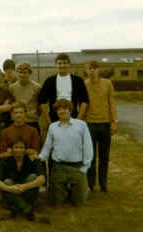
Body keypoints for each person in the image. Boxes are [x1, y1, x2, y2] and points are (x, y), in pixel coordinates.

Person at [39, 99, 93, 206]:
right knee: (55, 202)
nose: (62, 111)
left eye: (65, 108)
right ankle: (62, 190)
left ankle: (76, 190)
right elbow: (47, 147)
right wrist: (39, 157)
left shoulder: (81, 125)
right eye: (59, 109)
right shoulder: (53, 127)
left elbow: (88, 147)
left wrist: (85, 166)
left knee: (79, 202)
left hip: (77, 167)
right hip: (58, 167)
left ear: (70, 110)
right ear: (56, 112)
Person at [84, 60, 117, 192]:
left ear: (98, 70)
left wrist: (114, 121)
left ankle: (103, 184)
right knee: (90, 157)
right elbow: (81, 105)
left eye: (94, 68)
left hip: (105, 123)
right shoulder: (84, 84)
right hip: (90, 124)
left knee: (104, 156)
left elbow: (112, 103)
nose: (92, 71)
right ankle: (90, 184)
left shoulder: (107, 83)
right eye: (89, 68)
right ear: (86, 70)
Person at [0, 137, 46, 221]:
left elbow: (42, 178)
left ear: (25, 149)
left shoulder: (32, 159)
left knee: (33, 177)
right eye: (16, 147)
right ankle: (29, 211)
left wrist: (24, 186)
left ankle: (14, 210)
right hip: (11, 191)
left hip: (26, 192)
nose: (19, 150)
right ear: (12, 149)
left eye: (21, 147)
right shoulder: (5, 161)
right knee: (7, 182)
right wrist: (10, 188)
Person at [38, 53, 89, 126]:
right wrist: (48, 120)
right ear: (56, 64)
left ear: (69, 64)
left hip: (73, 117)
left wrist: (78, 119)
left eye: (65, 63)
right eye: (59, 63)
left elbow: (85, 100)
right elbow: (41, 101)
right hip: (54, 118)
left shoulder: (78, 80)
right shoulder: (50, 81)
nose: (62, 65)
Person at [9, 62, 41, 131]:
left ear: (29, 73)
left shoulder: (37, 87)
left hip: (32, 122)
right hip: (17, 122)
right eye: (20, 72)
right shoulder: (12, 88)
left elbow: (40, 106)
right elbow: (11, 104)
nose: (22, 75)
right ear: (16, 73)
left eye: (25, 72)